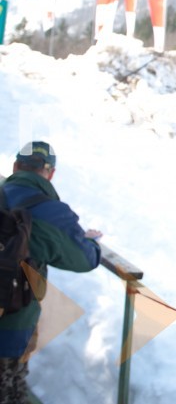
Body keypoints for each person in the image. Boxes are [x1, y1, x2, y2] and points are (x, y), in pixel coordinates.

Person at [0, 141, 102, 403]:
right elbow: (85, 259)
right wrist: (88, 240)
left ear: (15, 166)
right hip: (9, 333)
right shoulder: (53, 214)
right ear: (51, 173)